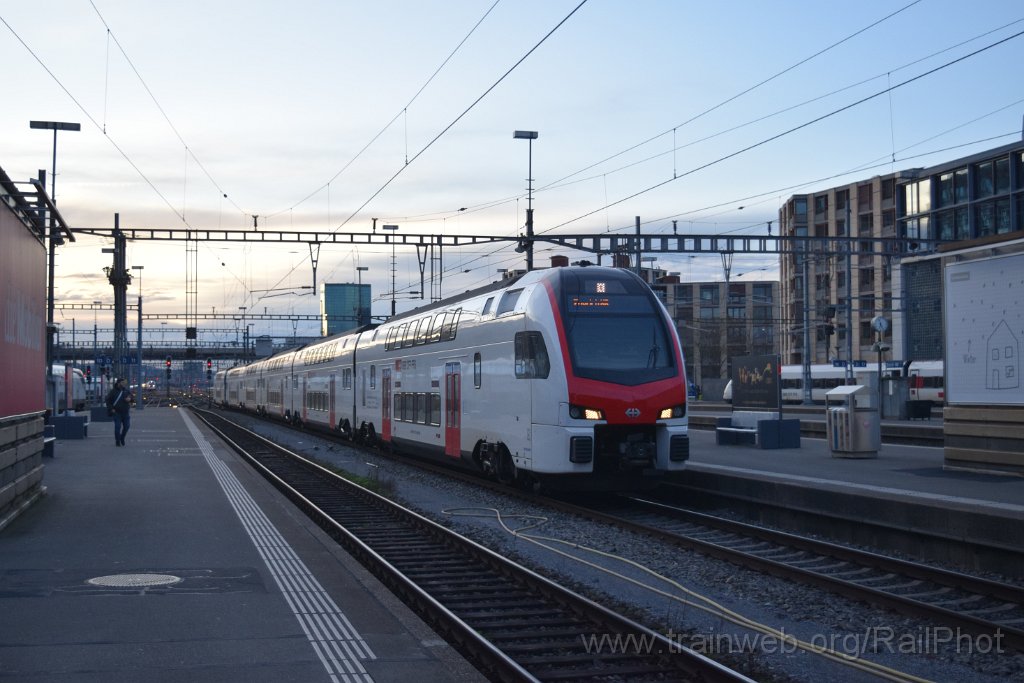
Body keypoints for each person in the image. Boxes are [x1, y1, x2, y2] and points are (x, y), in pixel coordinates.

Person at [105, 379, 135, 447]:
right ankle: (117, 440)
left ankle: (122, 438)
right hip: (117, 412)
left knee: (127, 426)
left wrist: (130, 399)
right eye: (122, 382)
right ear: (118, 383)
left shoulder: (126, 391)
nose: (124, 384)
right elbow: (108, 401)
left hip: (125, 412)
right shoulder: (113, 391)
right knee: (117, 427)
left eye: (124, 382)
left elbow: (132, 399)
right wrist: (111, 408)